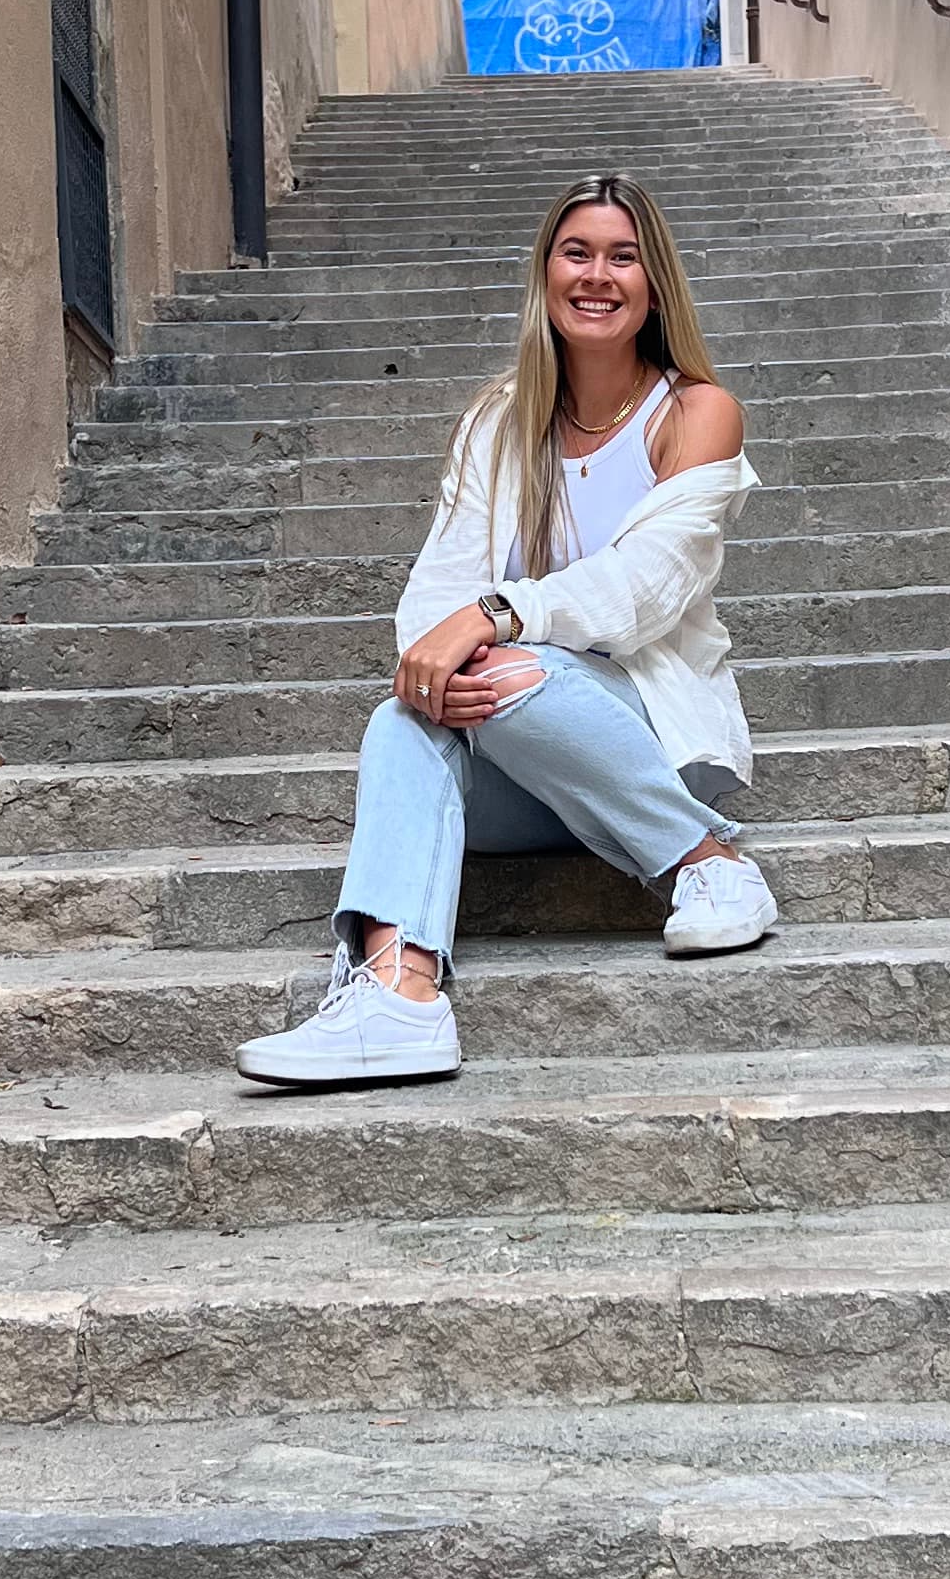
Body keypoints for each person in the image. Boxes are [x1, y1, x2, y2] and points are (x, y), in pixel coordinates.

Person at [236, 171, 779, 1091]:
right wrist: (435, 673)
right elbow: (439, 584)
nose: (597, 275)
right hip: (522, 770)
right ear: (546, 271)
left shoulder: (694, 413)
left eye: (622, 255)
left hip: (644, 735)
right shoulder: (499, 421)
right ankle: (397, 995)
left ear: (654, 284)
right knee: (399, 721)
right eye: (577, 253)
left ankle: (708, 856)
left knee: (523, 674)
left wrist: (499, 616)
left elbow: (645, 588)